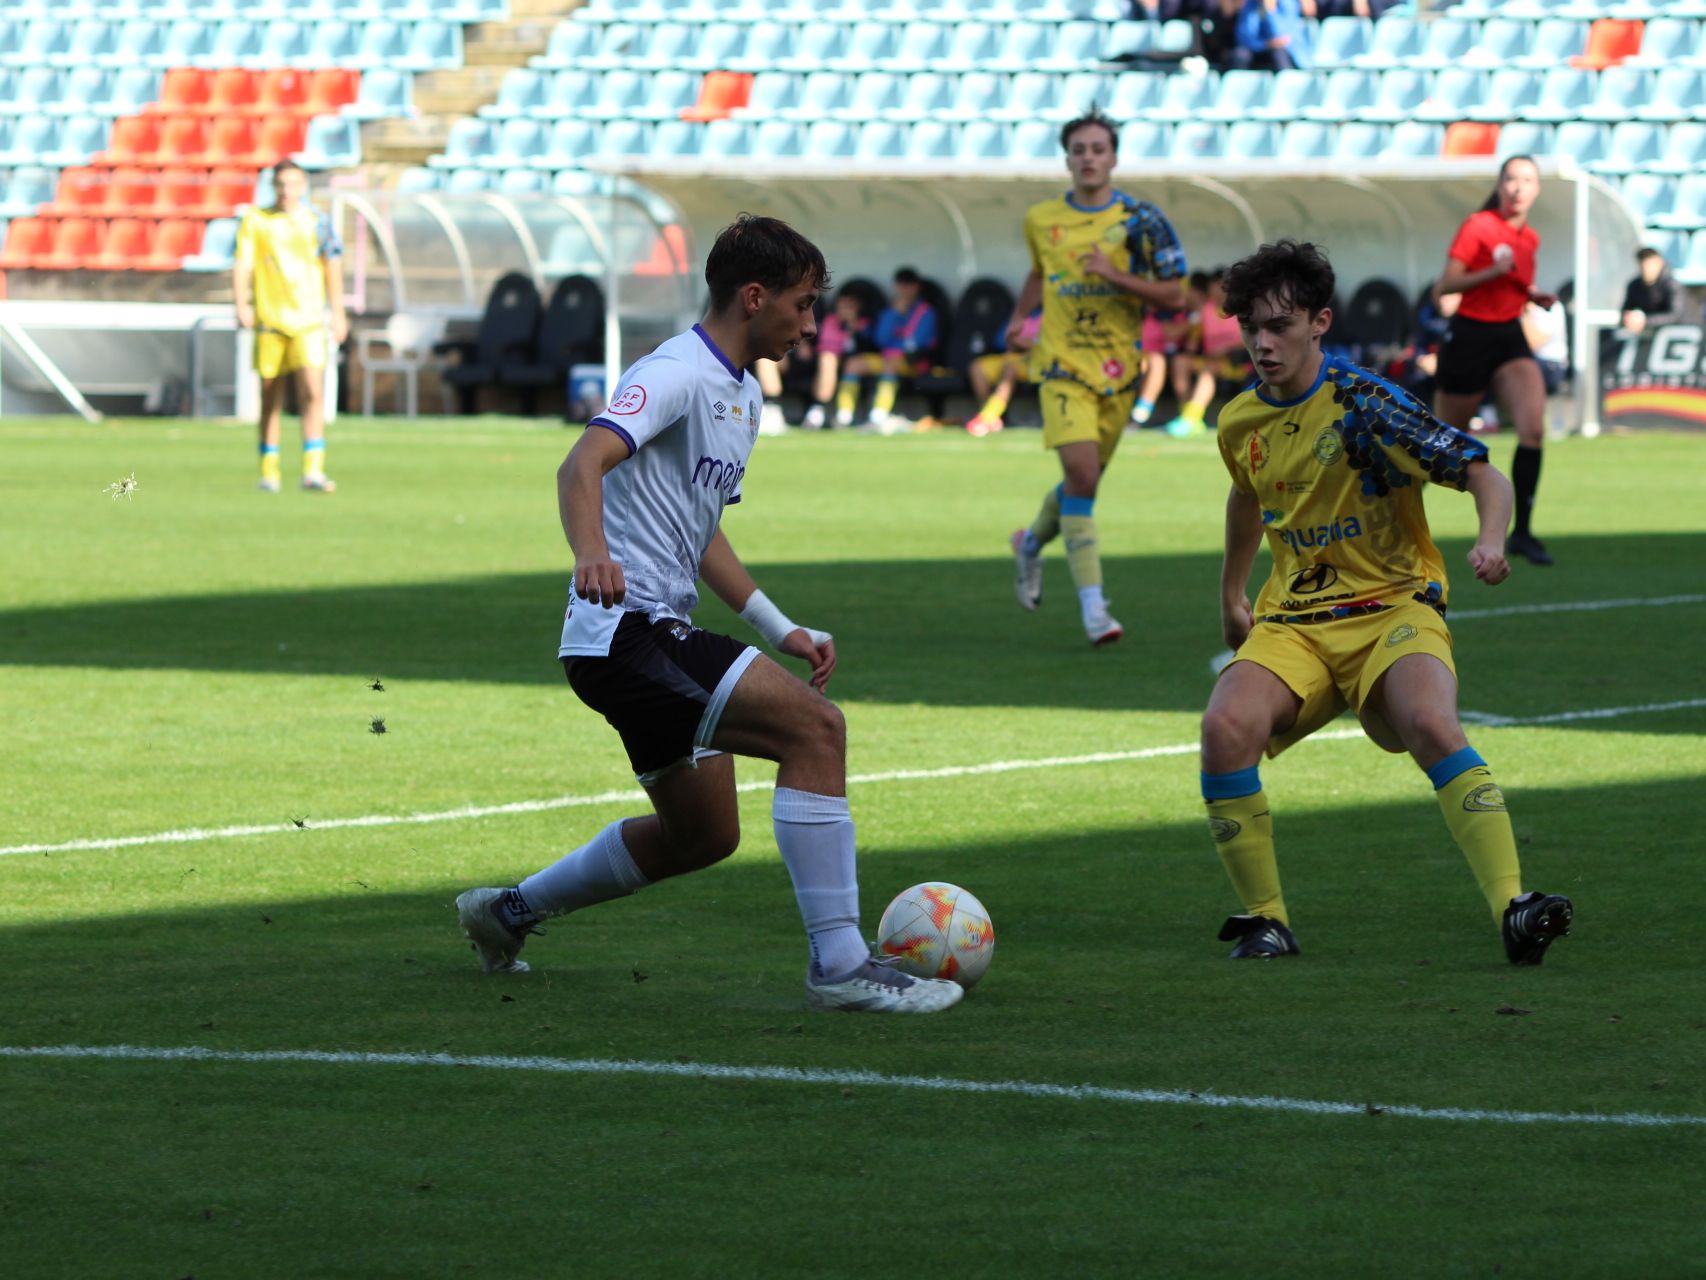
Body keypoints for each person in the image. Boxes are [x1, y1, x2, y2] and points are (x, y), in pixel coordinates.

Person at [454, 215, 961, 1016]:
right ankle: (841, 964)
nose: (809, 322)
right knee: (815, 731)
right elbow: (583, 459)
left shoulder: (743, 395)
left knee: (704, 837)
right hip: (628, 630)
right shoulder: (678, 372)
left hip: (638, 640)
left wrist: (778, 624)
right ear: (754, 297)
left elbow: (702, 530)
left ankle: (506, 912)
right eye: (801, 303)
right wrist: (592, 550)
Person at [1197, 238, 1572, 967]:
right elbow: (1247, 497)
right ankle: (1266, 921)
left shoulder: (1368, 407)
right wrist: (1232, 593)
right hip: (1295, 621)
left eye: (1279, 326)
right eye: (1251, 327)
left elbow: (1483, 473)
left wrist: (1493, 539)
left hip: (1393, 607)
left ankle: (1514, 909)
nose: (1262, 343)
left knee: (1432, 722)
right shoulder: (1239, 420)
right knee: (1223, 727)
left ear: (1321, 323)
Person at [1007, 110, 1189, 645]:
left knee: (1080, 484)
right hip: (1061, 365)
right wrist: (1020, 318)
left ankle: (1030, 543)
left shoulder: (1141, 220)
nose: (1088, 157)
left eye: (1097, 148)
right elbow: (1040, 273)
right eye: (1079, 149)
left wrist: (1114, 275)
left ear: (1113, 157)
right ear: (1067, 158)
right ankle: (1095, 610)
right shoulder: (1041, 218)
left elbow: (1176, 296)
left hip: (1119, 370)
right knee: (1083, 480)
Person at [1430, 154, 1561, 567]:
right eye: (1511, 179)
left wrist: (1531, 295)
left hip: (1508, 336)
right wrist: (1492, 272)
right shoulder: (1479, 226)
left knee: (1533, 430)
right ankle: (1387, 523)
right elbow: (1446, 286)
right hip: (1469, 335)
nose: (1518, 187)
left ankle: (1521, 533)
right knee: (1436, 446)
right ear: (1500, 185)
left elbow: (1513, 283)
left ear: (1537, 189)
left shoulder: (1530, 239)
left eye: (1527, 180)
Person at [232, 160, 347, 494]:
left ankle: (313, 469)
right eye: (281, 184)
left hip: (309, 320)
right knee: (270, 396)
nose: (286, 191)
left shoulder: (317, 221)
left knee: (313, 392)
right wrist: (241, 304)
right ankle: (269, 471)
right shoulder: (256, 220)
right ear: (274, 186)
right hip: (270, 320)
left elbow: (332, 265)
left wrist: (337, 312)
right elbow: (244, 264)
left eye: (293, 184)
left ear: (303, 186)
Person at [838, 266, 940, 433]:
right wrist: (895, 315)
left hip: (915, 362)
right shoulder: (889, 311)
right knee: (853, 364)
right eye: (901, 285)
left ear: (917, 287)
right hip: (888, 358)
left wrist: (898, 341)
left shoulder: (926, 312)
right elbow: (881, 340)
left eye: (909, 285)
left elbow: (918, 343)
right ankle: (844, 417)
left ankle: (877, 418)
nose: (905, 289)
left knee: (890, 363)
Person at [1171, 270, 1253, 436]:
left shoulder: (1242, 310)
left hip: (1237, 364)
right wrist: (1192, 340)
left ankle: (1192, 416)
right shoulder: (1205, 310)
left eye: (1221, 288)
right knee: (1180, 361)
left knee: (1208, 371)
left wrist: (1228, 348)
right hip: (1209, 360)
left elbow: (1251, 339)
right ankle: (1187, 413)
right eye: (1213, 288)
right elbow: (1190, 341)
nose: (1216, 292)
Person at [966, 306, 1041, 436]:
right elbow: (1001, 339)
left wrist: (1026, 343)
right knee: (977, 366)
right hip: (1011, 355)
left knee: (1010, 369)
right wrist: (1012, 340)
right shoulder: (1020, 314)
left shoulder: (1051, 314)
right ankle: (990, 416)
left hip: (1036, 360)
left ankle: (987, 417)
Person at [801, 289, 870, 430]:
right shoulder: (831, 321)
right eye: (843, 304)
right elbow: (827, 345)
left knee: (850, 363)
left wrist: (852, 327)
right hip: (832, 360)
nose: (846, 308)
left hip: (859, 362)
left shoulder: (865, 323)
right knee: (828, 359)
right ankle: (818, 409)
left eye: (850, 305)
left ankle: (844, 414)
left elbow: (869, 346)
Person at [1232, 0, 1311, 72]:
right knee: (1240, 55)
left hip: (1291, 51)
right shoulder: (1251, 4)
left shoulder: (1287, 3)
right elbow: (1245, 36)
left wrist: (1269, 10)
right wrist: (1265, 44)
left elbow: (1280, 36)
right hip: (1261, 48)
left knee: (1279, 54)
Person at [1619, 246, 1680, 336]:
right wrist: (1629, 320)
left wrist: (1645, 321)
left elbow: (1674, 316)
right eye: (1643, 265)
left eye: (1649, 265)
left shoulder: (1672, 285)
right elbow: (1626, 311)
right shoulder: (1634, 286)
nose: (1646, 269)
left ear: (1660, 263)